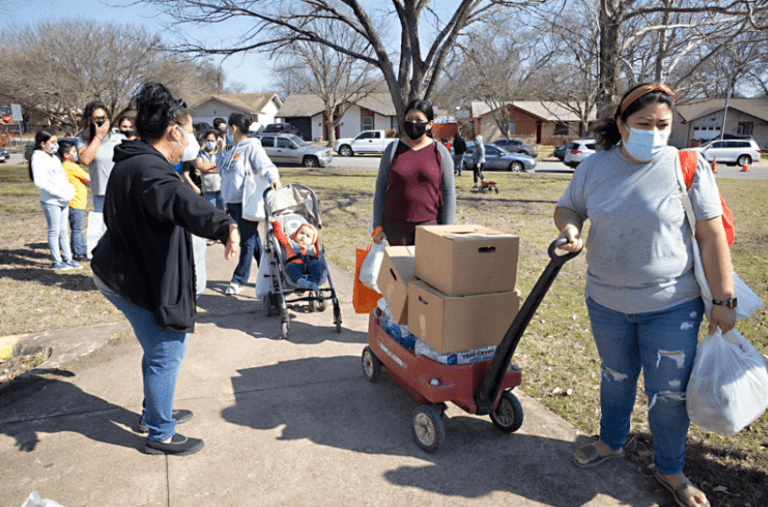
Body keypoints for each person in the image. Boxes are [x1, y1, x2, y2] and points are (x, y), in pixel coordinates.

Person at [554, 83, 733, 507]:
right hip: (606, 303)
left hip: (671, 307)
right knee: (615, 379)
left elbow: (711, 237)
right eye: (643, 124)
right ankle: (612, 441)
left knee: (668, 396)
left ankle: (671, 469)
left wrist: (723, 303)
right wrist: (570, 229)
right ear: (622, 123)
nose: (655, 132)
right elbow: (569, 207)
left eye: (663, 125)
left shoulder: (686, 165)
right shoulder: (594, 167)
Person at [90, 82, 240, 456]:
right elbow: (180, 200)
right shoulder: (149, 170)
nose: (192, 137)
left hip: (124, 267)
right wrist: (224, 225)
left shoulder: (136, 160)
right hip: (126, 276)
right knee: (166, 350)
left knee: (158, 347)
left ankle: (152, 412)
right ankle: (160, 433)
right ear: (173, 130)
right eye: (189, 129)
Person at [372, 99, 455, 246]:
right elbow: (380, 189)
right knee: (399, 268)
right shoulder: (392, 150)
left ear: (429, 124)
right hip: (395, 228)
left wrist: (446, 229)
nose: (413, 123)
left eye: (419, 120)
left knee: (428, 269)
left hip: (430, 227)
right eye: (409, 119)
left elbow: (449, 193)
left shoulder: (440, 152)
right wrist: (377, 227)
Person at [218, 113, 281, 295]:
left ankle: (239, 280)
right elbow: (223, 171)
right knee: (253, 241)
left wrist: (273, 178)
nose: (228, 132)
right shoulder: (233, 150)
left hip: (247, 203)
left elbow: (266, 166)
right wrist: (222, 151)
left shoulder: (252, 148)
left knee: (245, 241)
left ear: (233, 128)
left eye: (228, 128)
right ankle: (270, 272)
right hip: (233, 204)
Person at [29, 129, 81, 271]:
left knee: (64, 231)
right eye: (52, 142)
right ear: (42, 143)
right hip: (51, 201)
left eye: (56, 142)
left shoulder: (53, 157)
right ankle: (56, 261)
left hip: (63, 200)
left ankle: (68, 259)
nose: (55, 145)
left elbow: (61, 178)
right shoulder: (38, 157)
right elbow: (40, 182)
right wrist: (59, 194)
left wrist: (69, 191)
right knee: (54, 231)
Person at [76, 101, 124, 212]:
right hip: (101, 194)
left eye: (103, 117)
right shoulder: (83, 137)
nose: (101, 121)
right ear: (90, 120)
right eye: (96, 119)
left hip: (121, 192)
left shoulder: (118, 135)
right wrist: (98, 136)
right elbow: (85, 160)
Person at [271, 221, 327, 293]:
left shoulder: (312, 247)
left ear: (312, 241)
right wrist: (276, 223)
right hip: (295, 264)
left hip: (310, 265)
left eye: (308, 236)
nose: (303, 236)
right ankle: (300, 281)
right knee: (289, 267)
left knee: (319, 265)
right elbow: (279, 234)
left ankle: (313, 281)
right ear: (296, 234)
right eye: (301, 233)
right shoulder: (289, 243)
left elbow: (318, 244)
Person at [58, 140, 90, 262]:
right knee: (77, 229)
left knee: (78, 228)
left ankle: (81, 248)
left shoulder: (64, 166)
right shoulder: (71, 166)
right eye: (73, 152)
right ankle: (78, 252)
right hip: (75, 202)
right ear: (66, 155)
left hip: (74, 202)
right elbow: (88, 178)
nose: (76, 154)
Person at [196, 130, 225, 212]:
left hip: (221, 188)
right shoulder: (200, 153)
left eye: (212, 141)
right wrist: (217, 163)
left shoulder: (222, 153)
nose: (210, 142)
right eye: (208, 140)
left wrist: (206, 168)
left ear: (216, 141)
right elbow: (199, 166)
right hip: (208, 188)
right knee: (211, 211)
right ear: (204, 140)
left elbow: (225, 167)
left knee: (223, 211)